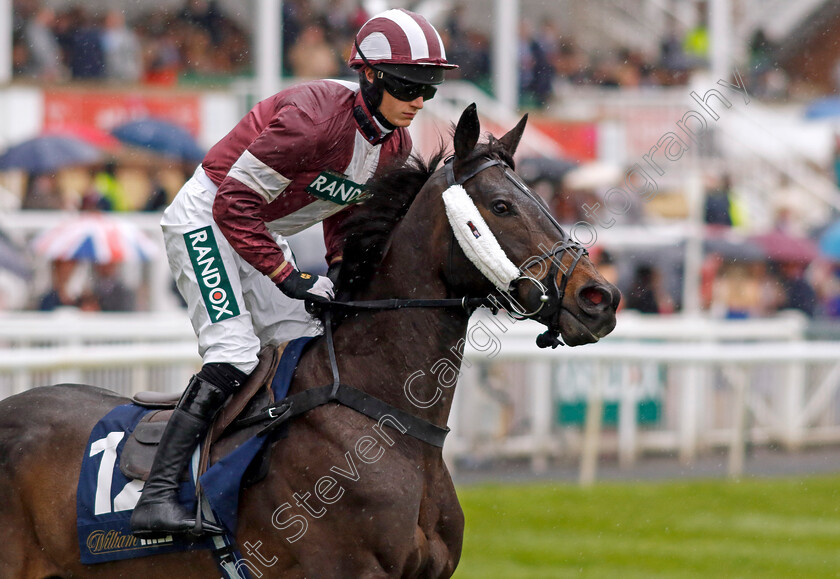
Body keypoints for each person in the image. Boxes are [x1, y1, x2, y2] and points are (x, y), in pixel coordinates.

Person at [131, 9, 456, 538]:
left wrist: (338, 271)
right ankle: (158, 494)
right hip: (207, 219)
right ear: (369, 76)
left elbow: (347, 213)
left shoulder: (394, 143)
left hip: (256, 229)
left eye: (430, 88)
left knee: (305, 342)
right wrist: (287, 274)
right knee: (234, 351)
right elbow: (233, 202)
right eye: (408, 86)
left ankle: (259, 477)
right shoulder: (313, 119)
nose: (419, 102)